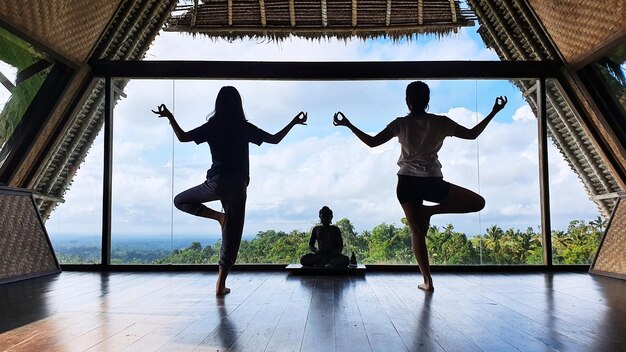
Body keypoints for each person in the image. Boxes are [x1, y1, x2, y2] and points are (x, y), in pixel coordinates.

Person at [333, 81, 507, 291]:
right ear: (427, 101)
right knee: (477, 203)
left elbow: (372, 142)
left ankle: (427, 281)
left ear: (407, 101)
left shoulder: (401, 124)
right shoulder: (440, 122)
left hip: (406, 182)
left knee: (417, 232)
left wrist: (348, 125)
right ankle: (429, 217)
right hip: (431, 182)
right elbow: (472, 134)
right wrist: (494, 112)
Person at [152, 86, 307, 295]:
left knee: (180, 200)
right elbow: (275, 139)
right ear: (239, 104)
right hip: (238, 186)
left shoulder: (212, 126)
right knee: (232, 236)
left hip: (215, 183)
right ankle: (220, 284)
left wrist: (170, 117)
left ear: (218, 104)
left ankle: (219, 218)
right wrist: (294, 123)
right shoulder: (244, 127)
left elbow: (183, 137)